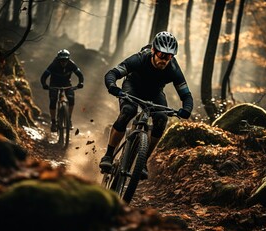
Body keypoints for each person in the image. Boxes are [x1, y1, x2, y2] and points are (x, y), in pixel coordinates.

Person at [99, 31, 193, 179]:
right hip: (132, 87)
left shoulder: (173, 69)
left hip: (155, 93)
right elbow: (112, 73)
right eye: (161, 55)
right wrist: (112, 86)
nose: (164, 59)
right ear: (153, 51)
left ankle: (142, 161)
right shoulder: (139, 59)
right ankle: (108, 155)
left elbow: (186, 95)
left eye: (168, 56)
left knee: (161, 119)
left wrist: (186, 109)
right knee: (128, 111)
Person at [40, 49, 84, 132]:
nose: (63, 62)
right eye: (61, 60)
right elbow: (43, 76)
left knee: (71, 99)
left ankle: (69, 119)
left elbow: (80, 75)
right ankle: (53, 122)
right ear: (58, 59)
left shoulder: (71, 64)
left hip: (67, 84)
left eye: (65, 60)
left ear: (68, 59)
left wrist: (80, 83)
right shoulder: (53, 65)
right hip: (54, 84)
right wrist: (44, 85)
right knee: (53, 100)